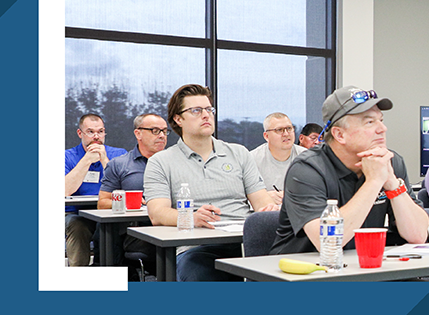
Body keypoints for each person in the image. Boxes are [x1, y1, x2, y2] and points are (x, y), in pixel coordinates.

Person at [140, 84, 283, 281]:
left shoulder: (238, 153)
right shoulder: (161, 161)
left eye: (209, 109)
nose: (206, 115)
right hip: (197, 247)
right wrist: (191, 217)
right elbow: (157, 213)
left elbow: (262, 203)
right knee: (202, 276)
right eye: (196, 111)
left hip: (244, 243)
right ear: (178, 119)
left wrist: (270, 210)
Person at [272, 86, 429, 255]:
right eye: (369, 122)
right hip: (304, 268)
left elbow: (418, 236)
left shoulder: (389, 162)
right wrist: (374, 181)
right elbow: (328, 241)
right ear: (339, 135)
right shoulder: (307, 169)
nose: (382, 129)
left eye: (381, 120)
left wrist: (392, 184)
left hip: (364, 265)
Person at [96, 113, 169, 275]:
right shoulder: (119, 164)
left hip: (172, 226)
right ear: (138, 133)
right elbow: (102, 203)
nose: (162, 136)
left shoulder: (175, 162)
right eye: (155, 131)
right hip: (138, 231)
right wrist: (130, 202)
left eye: (165, 131)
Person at [62, 113, 128, 266]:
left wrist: (104, 160)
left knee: (112, 227)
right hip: (77, 213)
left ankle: (112, 269)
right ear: (80, 133)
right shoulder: (67, 156)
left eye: (100, 131)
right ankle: (80, 273)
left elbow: (125, 189)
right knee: (77, 225)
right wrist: (86, 160)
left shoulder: (119, 154)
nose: (96, 136)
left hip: (111, 212)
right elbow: (65, 190)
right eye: (90, 132)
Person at [248, 112, 299, 196]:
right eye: (279, 130)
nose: (286, 134)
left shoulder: (307, 157)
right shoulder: (252, 160)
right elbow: (242, 197)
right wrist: (265, 197)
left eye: (289, 128)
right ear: (266, 136)